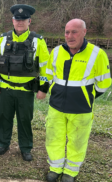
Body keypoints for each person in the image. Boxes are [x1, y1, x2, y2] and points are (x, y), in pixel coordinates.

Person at [45, 19, 111, 182]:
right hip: (56, 106)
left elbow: (104, 83)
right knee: (54, 138)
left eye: (74, 32)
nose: (70, 36)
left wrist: (87, 96)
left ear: (84, 32)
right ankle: (55, 168)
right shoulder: (56, 51)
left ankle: (71, 172)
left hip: (81, 108)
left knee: (77, 141)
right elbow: (48, 75)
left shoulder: (97, 54)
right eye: (67, 32)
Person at [0, 4, 50, 161]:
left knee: (24, 120)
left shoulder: (38, 41)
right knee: (4, 117)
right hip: (5, 89)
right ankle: (3, 144)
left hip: (26, 90)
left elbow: (46, 68)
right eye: (17, 19)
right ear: (13, 21)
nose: (20, 22)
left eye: (24, 19)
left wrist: (43, 89)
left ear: (29, 21)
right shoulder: (3, 39)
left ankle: (25, 148)